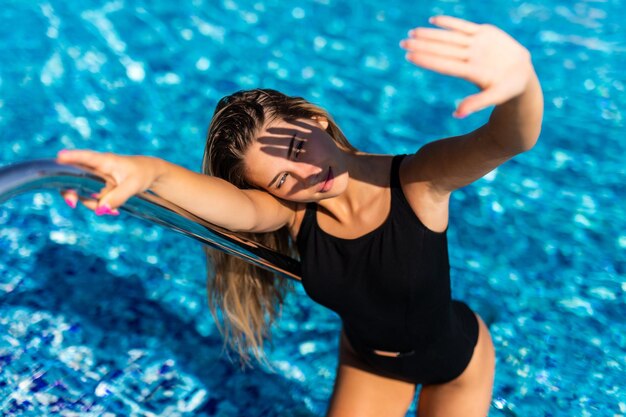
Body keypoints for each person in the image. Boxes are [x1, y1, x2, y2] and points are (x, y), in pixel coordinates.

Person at [57, 15, 543, 417]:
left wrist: (520, 81)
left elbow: (507, 140)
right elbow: (225, 204)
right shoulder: (290, 215)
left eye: (295, 146)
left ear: (313, 118)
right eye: (283, 179)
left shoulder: (417, 183)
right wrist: (147, 172)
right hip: (368, 363)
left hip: (453, 359)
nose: (307, 173)